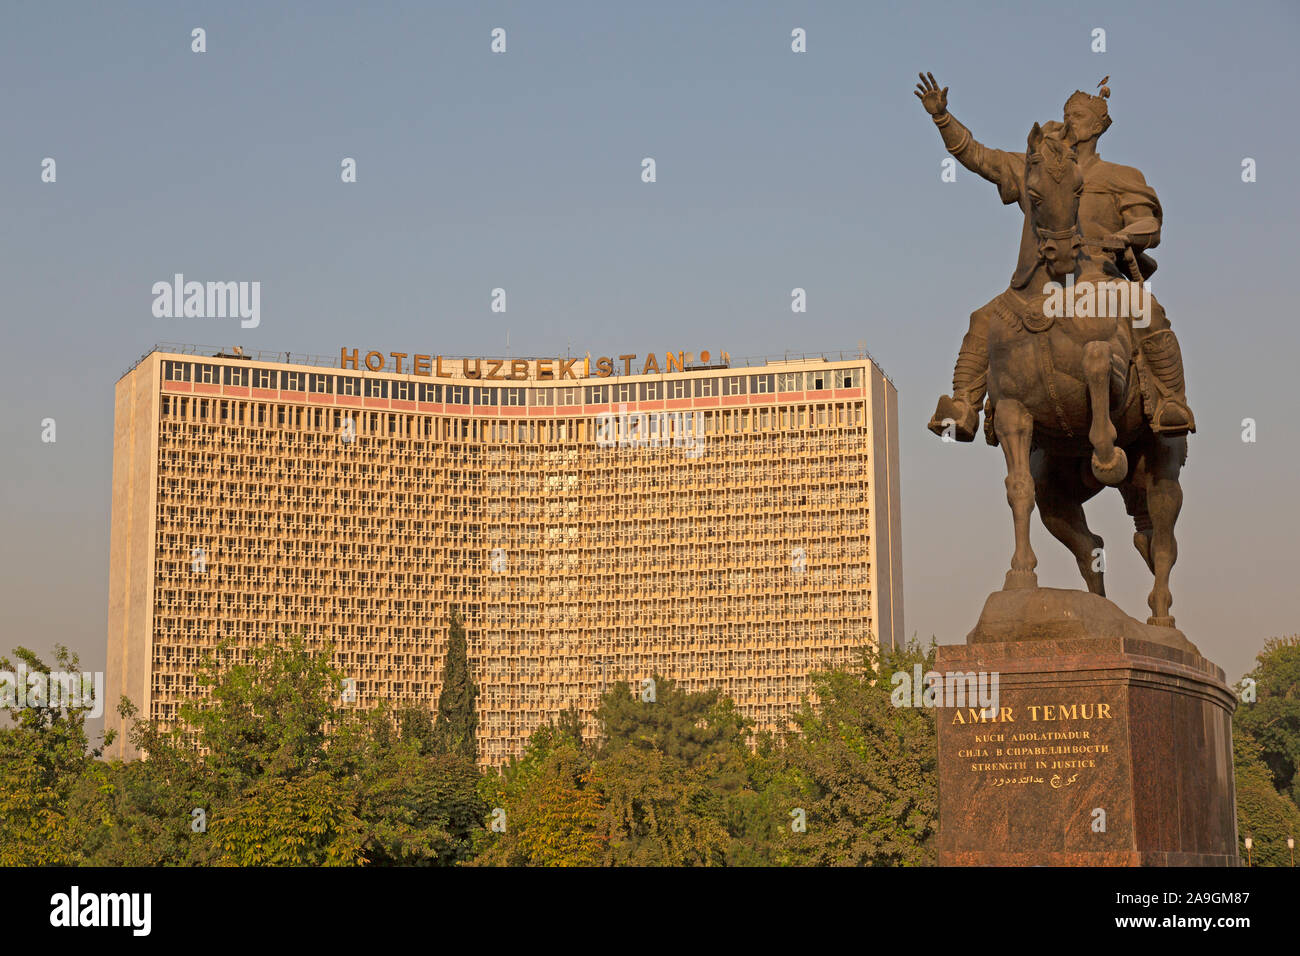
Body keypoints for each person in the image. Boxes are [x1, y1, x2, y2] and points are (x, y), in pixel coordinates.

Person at [915, 72, 1195, 441]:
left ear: (1098, 126)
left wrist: (1123, 236)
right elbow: (979, 156)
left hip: (1098, 275)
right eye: (1066, 115)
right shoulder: (1038, 168)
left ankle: (1170, 401)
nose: (1068, 123)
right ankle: (964, 404)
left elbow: (1149, 224)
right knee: (982, 319)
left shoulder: (1120, 176)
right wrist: (943, 119)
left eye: (1077, 117)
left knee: (1146, 308)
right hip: (1042, 277)